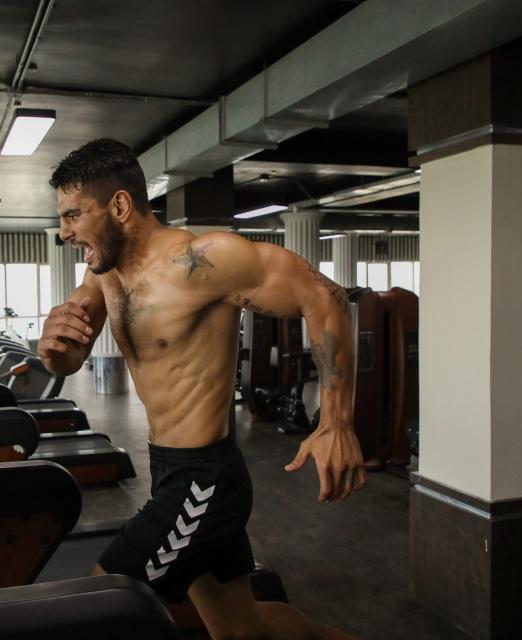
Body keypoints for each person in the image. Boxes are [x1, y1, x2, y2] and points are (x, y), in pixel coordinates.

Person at [39, 138, 366, 640]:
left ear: (120, 205)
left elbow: (325, 297)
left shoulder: (203, 261)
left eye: (73, 214)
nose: (63, 231)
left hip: (204, 483)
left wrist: (336, 422)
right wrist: (53, 348)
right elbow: (71, 349)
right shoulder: (103, 271)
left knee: (100, 612)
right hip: (171, 470)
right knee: (241, 628)